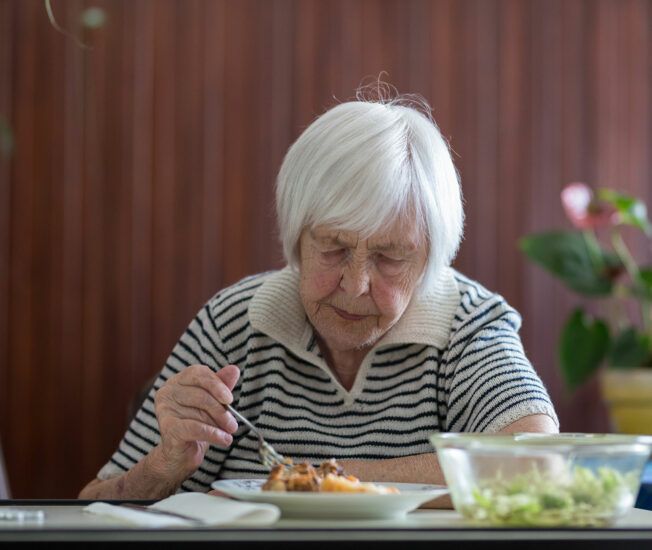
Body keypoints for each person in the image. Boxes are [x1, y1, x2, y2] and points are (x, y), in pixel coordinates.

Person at [79, 87, 558, 501]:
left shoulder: (466, 324)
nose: (355, 285)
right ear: (296, 240)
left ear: (431, 258)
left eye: (389, 258)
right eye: (333, 248)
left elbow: (539, 466)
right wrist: (163, 467)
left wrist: (313, 482)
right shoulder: (235, 321)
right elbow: (92, 505)